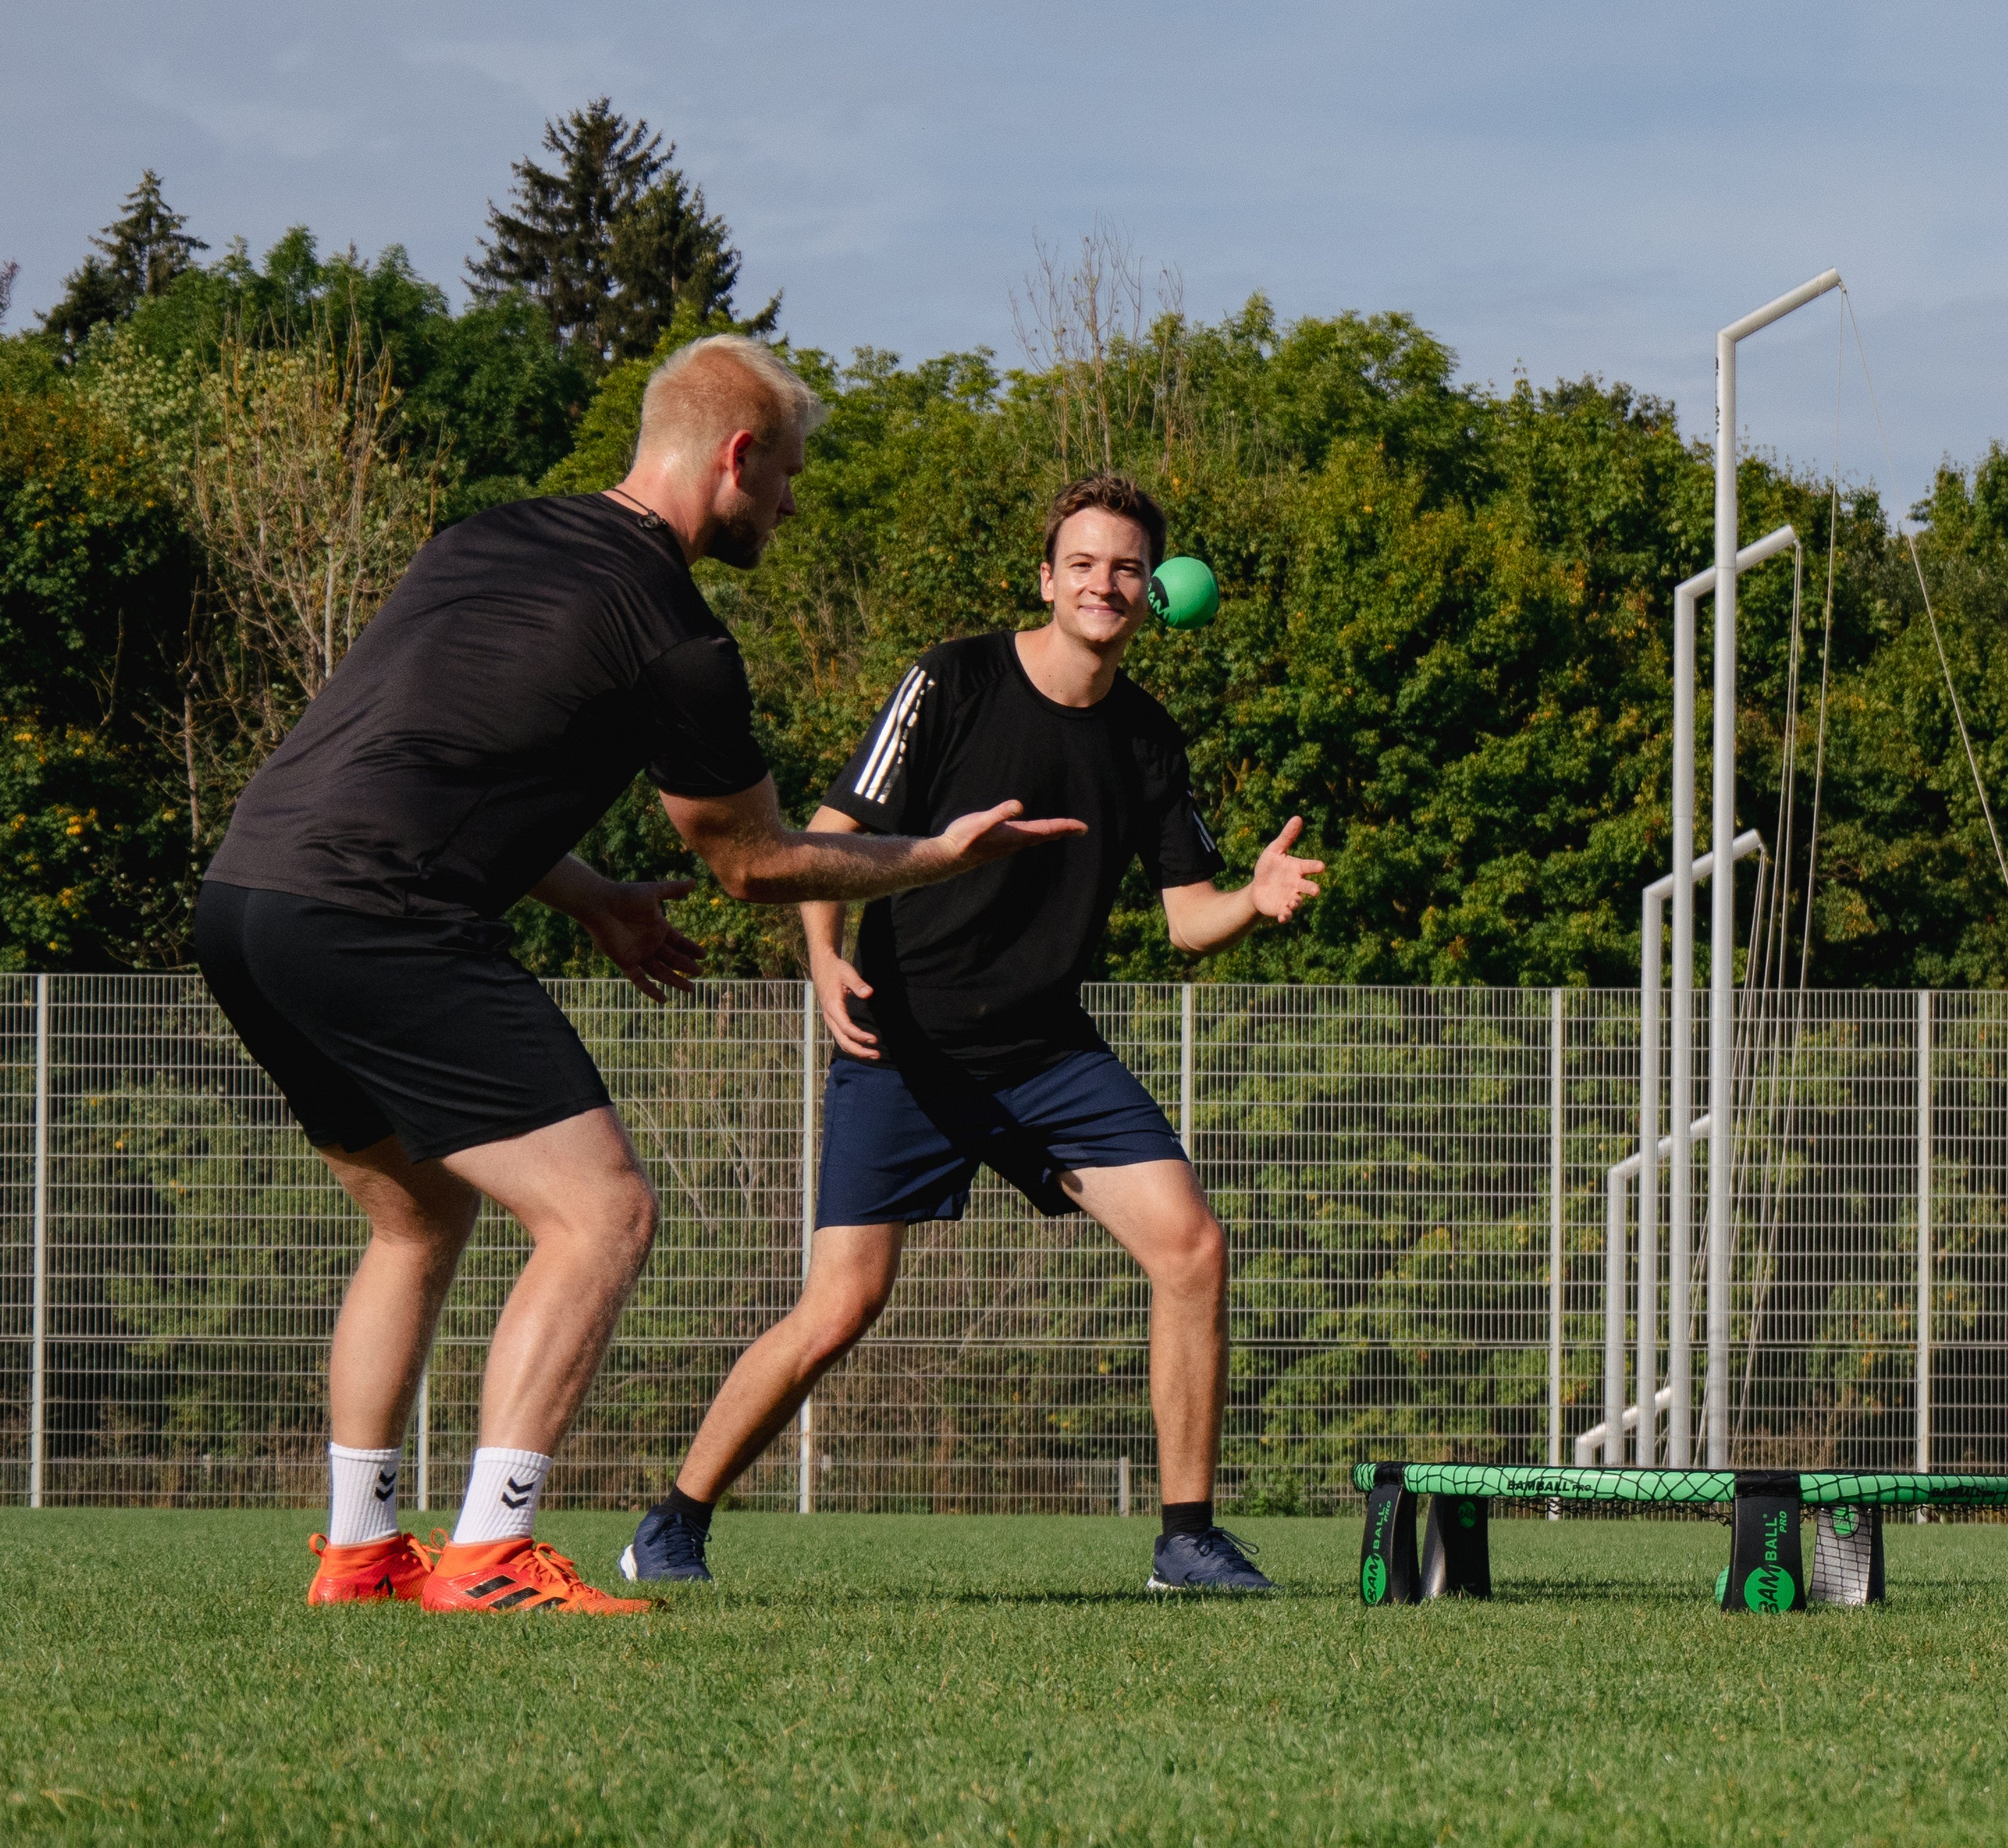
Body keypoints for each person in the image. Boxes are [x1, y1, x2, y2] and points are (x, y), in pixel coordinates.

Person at [203, 332, 1082, 1617]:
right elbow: (758, 863)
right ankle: (493, 1553)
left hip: (244, 897)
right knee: (600, 1213)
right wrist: (940, 854)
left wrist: (594, 895)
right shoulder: (674, 635)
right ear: (736, 456)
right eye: (786, 474)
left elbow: (413, 756)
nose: (790, 501)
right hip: (374, 916)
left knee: (415, 1217)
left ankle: (360, 1550)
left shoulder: (479, 543)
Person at [620, 476, 1323, 1598]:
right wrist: (822, 954)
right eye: (1085, 563)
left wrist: (1256, 893)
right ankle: (671, 1522)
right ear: (1046, 580)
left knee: (1192, 1247)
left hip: (1048, 1052)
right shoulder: (953, 678)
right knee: (841, 1304)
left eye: (1128, 567)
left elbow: (1189, 920)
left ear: (1153, 596)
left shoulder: (1147, 738)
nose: (1107, 582)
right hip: (904, 1047)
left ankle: (1186, 1540)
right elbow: (833, 832)